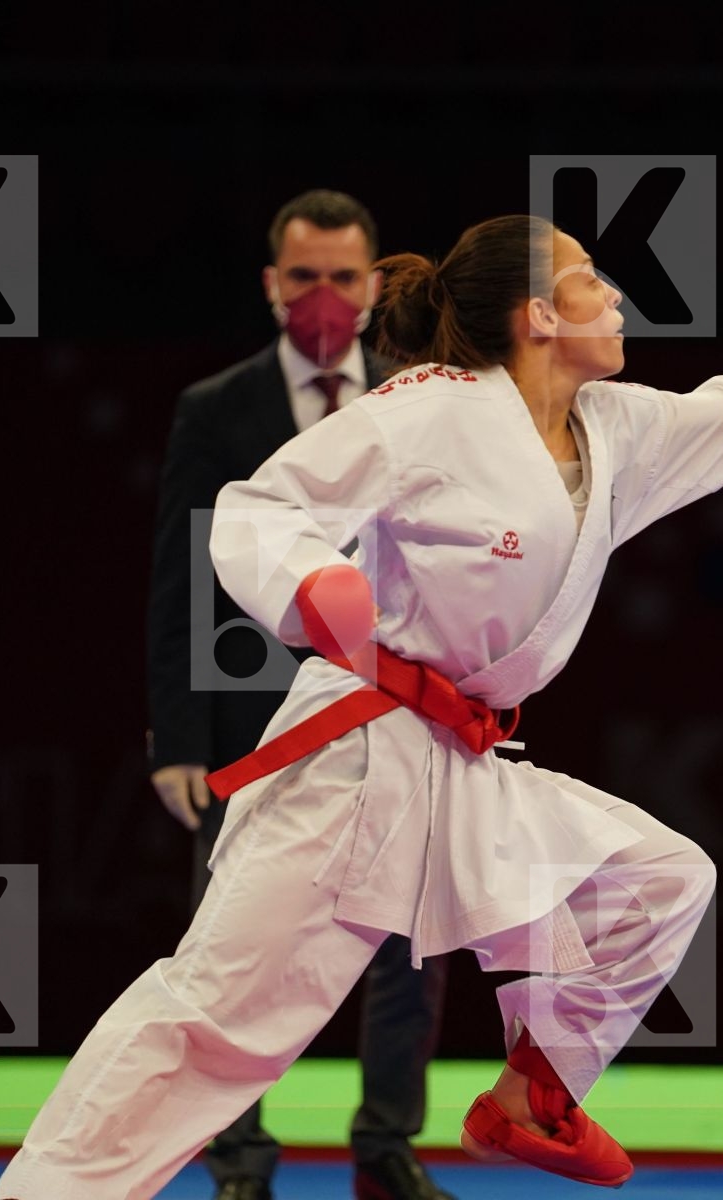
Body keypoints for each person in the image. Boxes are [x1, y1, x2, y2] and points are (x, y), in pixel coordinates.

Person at [0, 212, 723, 1199]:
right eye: (590, 280)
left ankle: (532, 1098)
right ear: (538, 313)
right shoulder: (435, 409)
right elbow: (258, 509)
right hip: (355, 755)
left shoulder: (620, 431)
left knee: (661, 883)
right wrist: (308, 588)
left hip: (465, 764)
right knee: (217, 1026)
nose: (615, 298)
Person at [144, 189, 453, 1200]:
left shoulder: (420, 405)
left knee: (410, 944)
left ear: (373, 289)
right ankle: (238, 1158)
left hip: (399, 714)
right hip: (253, 720)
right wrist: (177, 738)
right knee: (236, 950)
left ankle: (386, 1149)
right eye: (305, 276)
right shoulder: (217, 408)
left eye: (343, 278)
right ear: (273, 283)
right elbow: (183, 575)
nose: (324, 296)